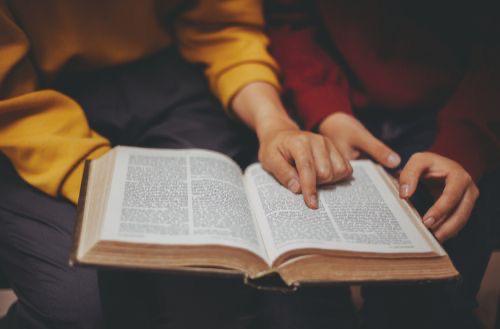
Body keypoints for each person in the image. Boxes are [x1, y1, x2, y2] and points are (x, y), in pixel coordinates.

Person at [0, 1, 354, 328]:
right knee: (82, 303)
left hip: (172, 72)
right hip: (27, 111)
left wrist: (274, 122)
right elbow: (11, 96)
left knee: (215, 273)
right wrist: (105, 179)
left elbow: (222, 27)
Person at [266, 0, 500, 328]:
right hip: (332, 97)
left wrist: (463, 145)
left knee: (432, 282)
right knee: (300, 282)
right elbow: (288, 19)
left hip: (455, 110)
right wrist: (327, 110)